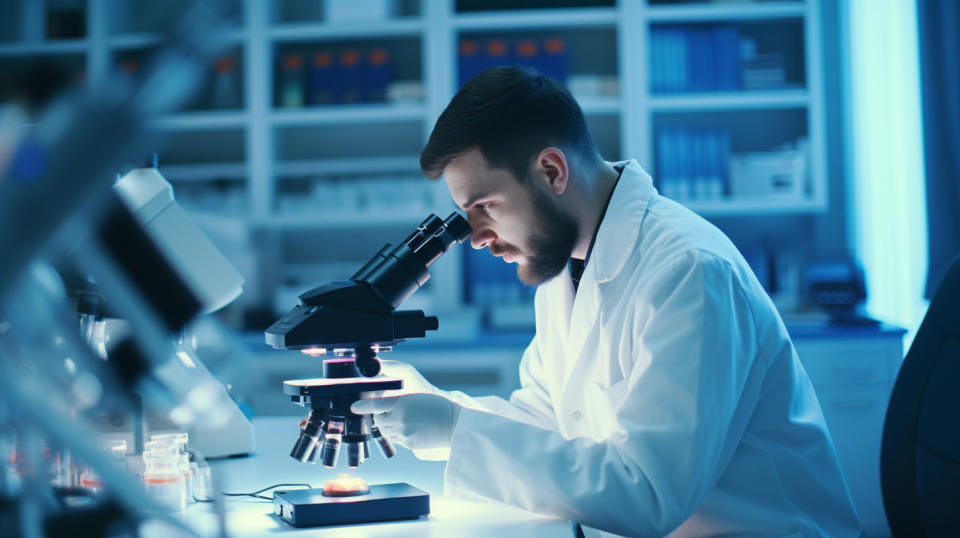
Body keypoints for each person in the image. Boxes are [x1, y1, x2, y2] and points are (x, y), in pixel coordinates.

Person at [352, 67, 863, 537]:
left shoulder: (688, 270)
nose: (478, 239)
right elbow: (550, 420)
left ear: (552, 171)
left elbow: (648, 491)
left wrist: (458, 432)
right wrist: (439, 411)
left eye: (484, 206)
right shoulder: (563, 266)